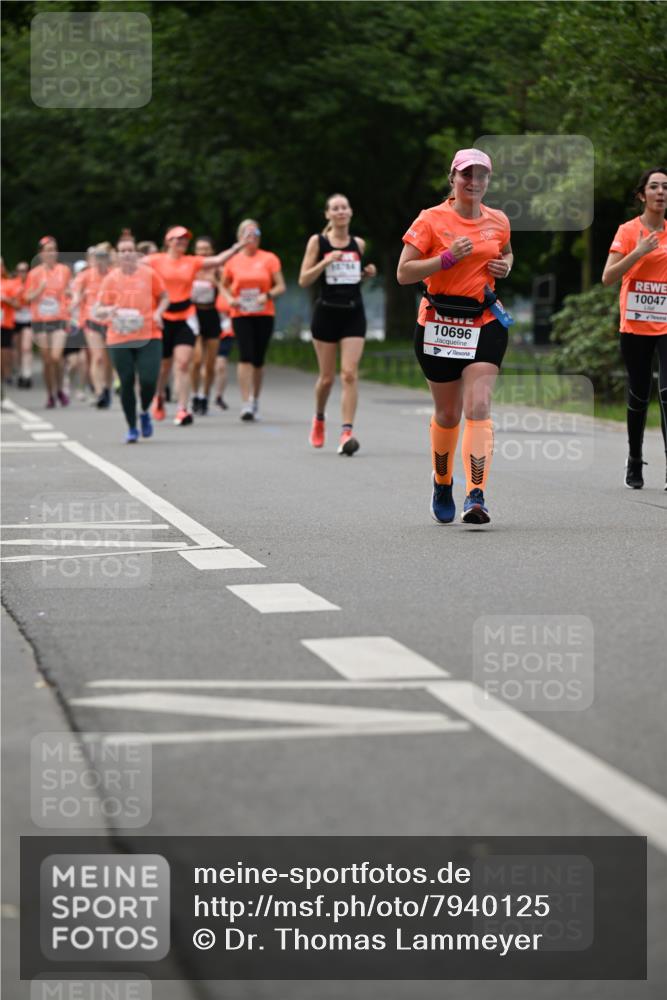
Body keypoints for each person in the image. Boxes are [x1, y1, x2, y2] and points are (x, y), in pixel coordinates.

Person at [397, 148, 513, 525]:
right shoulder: (430, 220)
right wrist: (445, 259)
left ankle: (475, 495)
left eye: (481, 176)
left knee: (478, 407)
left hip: (484, 323)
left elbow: (507, 254)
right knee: (448, 414)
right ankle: (442, 481)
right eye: (466, 175)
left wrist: (505, 267)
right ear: (453, 178)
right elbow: (404, 273)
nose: (473, 182)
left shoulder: (499, 221)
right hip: (439, 323)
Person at [602, 166, 667, 490]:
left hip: (666, 324)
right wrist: (639, 252)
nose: (661, 192)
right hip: (635, 323)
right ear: (642, 194)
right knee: (639, 394)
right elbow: (608, 276)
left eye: (665, 187)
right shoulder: (628, 231)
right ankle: (635, 458)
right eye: (654, 186)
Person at [298, 192, 377, 454]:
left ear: (350, 212)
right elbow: (304, 280)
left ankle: (346, 433)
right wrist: (324, 261)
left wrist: (366, 275)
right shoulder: (318, 242)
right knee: (327, 378)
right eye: (335, 208)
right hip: (326, 314)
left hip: (354, 313)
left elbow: (351, 279)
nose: (341, 211)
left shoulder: (359, 244)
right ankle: (319, 418)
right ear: (328, 215)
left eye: (344, 207)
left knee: (349, 374)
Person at [146, 226, 247, 426]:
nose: (182, 242)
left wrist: (238, 246)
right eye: (177, 239)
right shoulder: (155, 260)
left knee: (183, 363)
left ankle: (182, 409)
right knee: (164, 365)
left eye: (184, 240)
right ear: (168, 241)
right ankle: (158, 397)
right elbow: (130, 265)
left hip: (186, 316)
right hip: (163, 317)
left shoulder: (191, 262)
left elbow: (218, 260)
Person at [95, 234, 168, 443]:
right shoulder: (110, 279)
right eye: (122, 251)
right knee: (126, 381)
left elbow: (164, 297)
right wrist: (110, 310)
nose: (127, 254)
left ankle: (144, 411)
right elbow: (98, 309)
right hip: (119, 336)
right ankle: (132, 427)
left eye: (130, 250)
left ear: (136, 253)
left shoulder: (149, 274)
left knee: (148, 379)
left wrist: (158, 313)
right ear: (117, 256)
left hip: (149, 334)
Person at [221, 219, 286, 420]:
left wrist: (265, 296)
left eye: (255, 234)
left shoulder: (269, 258)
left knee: (258, 359)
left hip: (264, 313)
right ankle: (246, 402)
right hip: (241, 314)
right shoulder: (232, 261)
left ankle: (255, 398)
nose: (252, 239)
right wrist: (230, 299)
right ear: (239, 237)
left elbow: (280, 286)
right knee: (245, 355)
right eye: (247, 235)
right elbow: (222, 285)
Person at [24, 236, 72, 408]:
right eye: (48, 250)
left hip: (59, 318)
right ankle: (50, 394)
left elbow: (69, 290)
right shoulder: (34, 273)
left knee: (56, 357)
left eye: (54, 249)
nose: (52, 253)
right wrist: (40, 289)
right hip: (41, 320)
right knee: (46, 360)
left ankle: (60, 389)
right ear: (41, 253)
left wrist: (69, 296)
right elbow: (27, 296)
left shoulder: (64, 270)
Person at [71, 244, 113, 407]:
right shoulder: (85, 276)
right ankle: (99, 392)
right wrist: (73, 303)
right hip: (91, 320)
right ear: (93, 260)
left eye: (104, 257)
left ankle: (107, 387)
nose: (101, 261)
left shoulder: (113, 275)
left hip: (110, 321)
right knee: (98, 357)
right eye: (98, 257)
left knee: (109, 359)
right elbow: (76, 294)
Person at [190, 236, 222, 415]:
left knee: (210, 364)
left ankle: (205, 395)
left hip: (211, 314)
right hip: (194, 314)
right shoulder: (190, 269)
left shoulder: (218, 269)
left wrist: (216, 281)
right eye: (199, 249)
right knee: (195, 360)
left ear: (212, 252)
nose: (203, 253)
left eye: (206, 249)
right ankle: (194, 394)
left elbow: (228, 291)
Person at [1, 259, 22, 388]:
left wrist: (5, 299)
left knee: (5, 352)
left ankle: (6, 376)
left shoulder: (10, 283)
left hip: (6, 323)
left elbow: (17, 304)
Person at [12, 262, 33, 388]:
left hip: (28, 319)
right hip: (15, 319)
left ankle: (27, 374)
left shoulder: (32, 284)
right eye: (20, 270)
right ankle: (20, 372)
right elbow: (14, 303)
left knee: (26, 348)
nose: (22, 273)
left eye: (25, 270)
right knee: (18, 349)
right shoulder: (13, 284)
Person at [213, 293, 234, 409]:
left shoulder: (231, 289)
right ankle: (200, 395)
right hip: (207, 332)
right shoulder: (207, 286)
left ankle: (219, 396)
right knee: (205, 366)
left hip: (226, 333)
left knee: (221, 365)